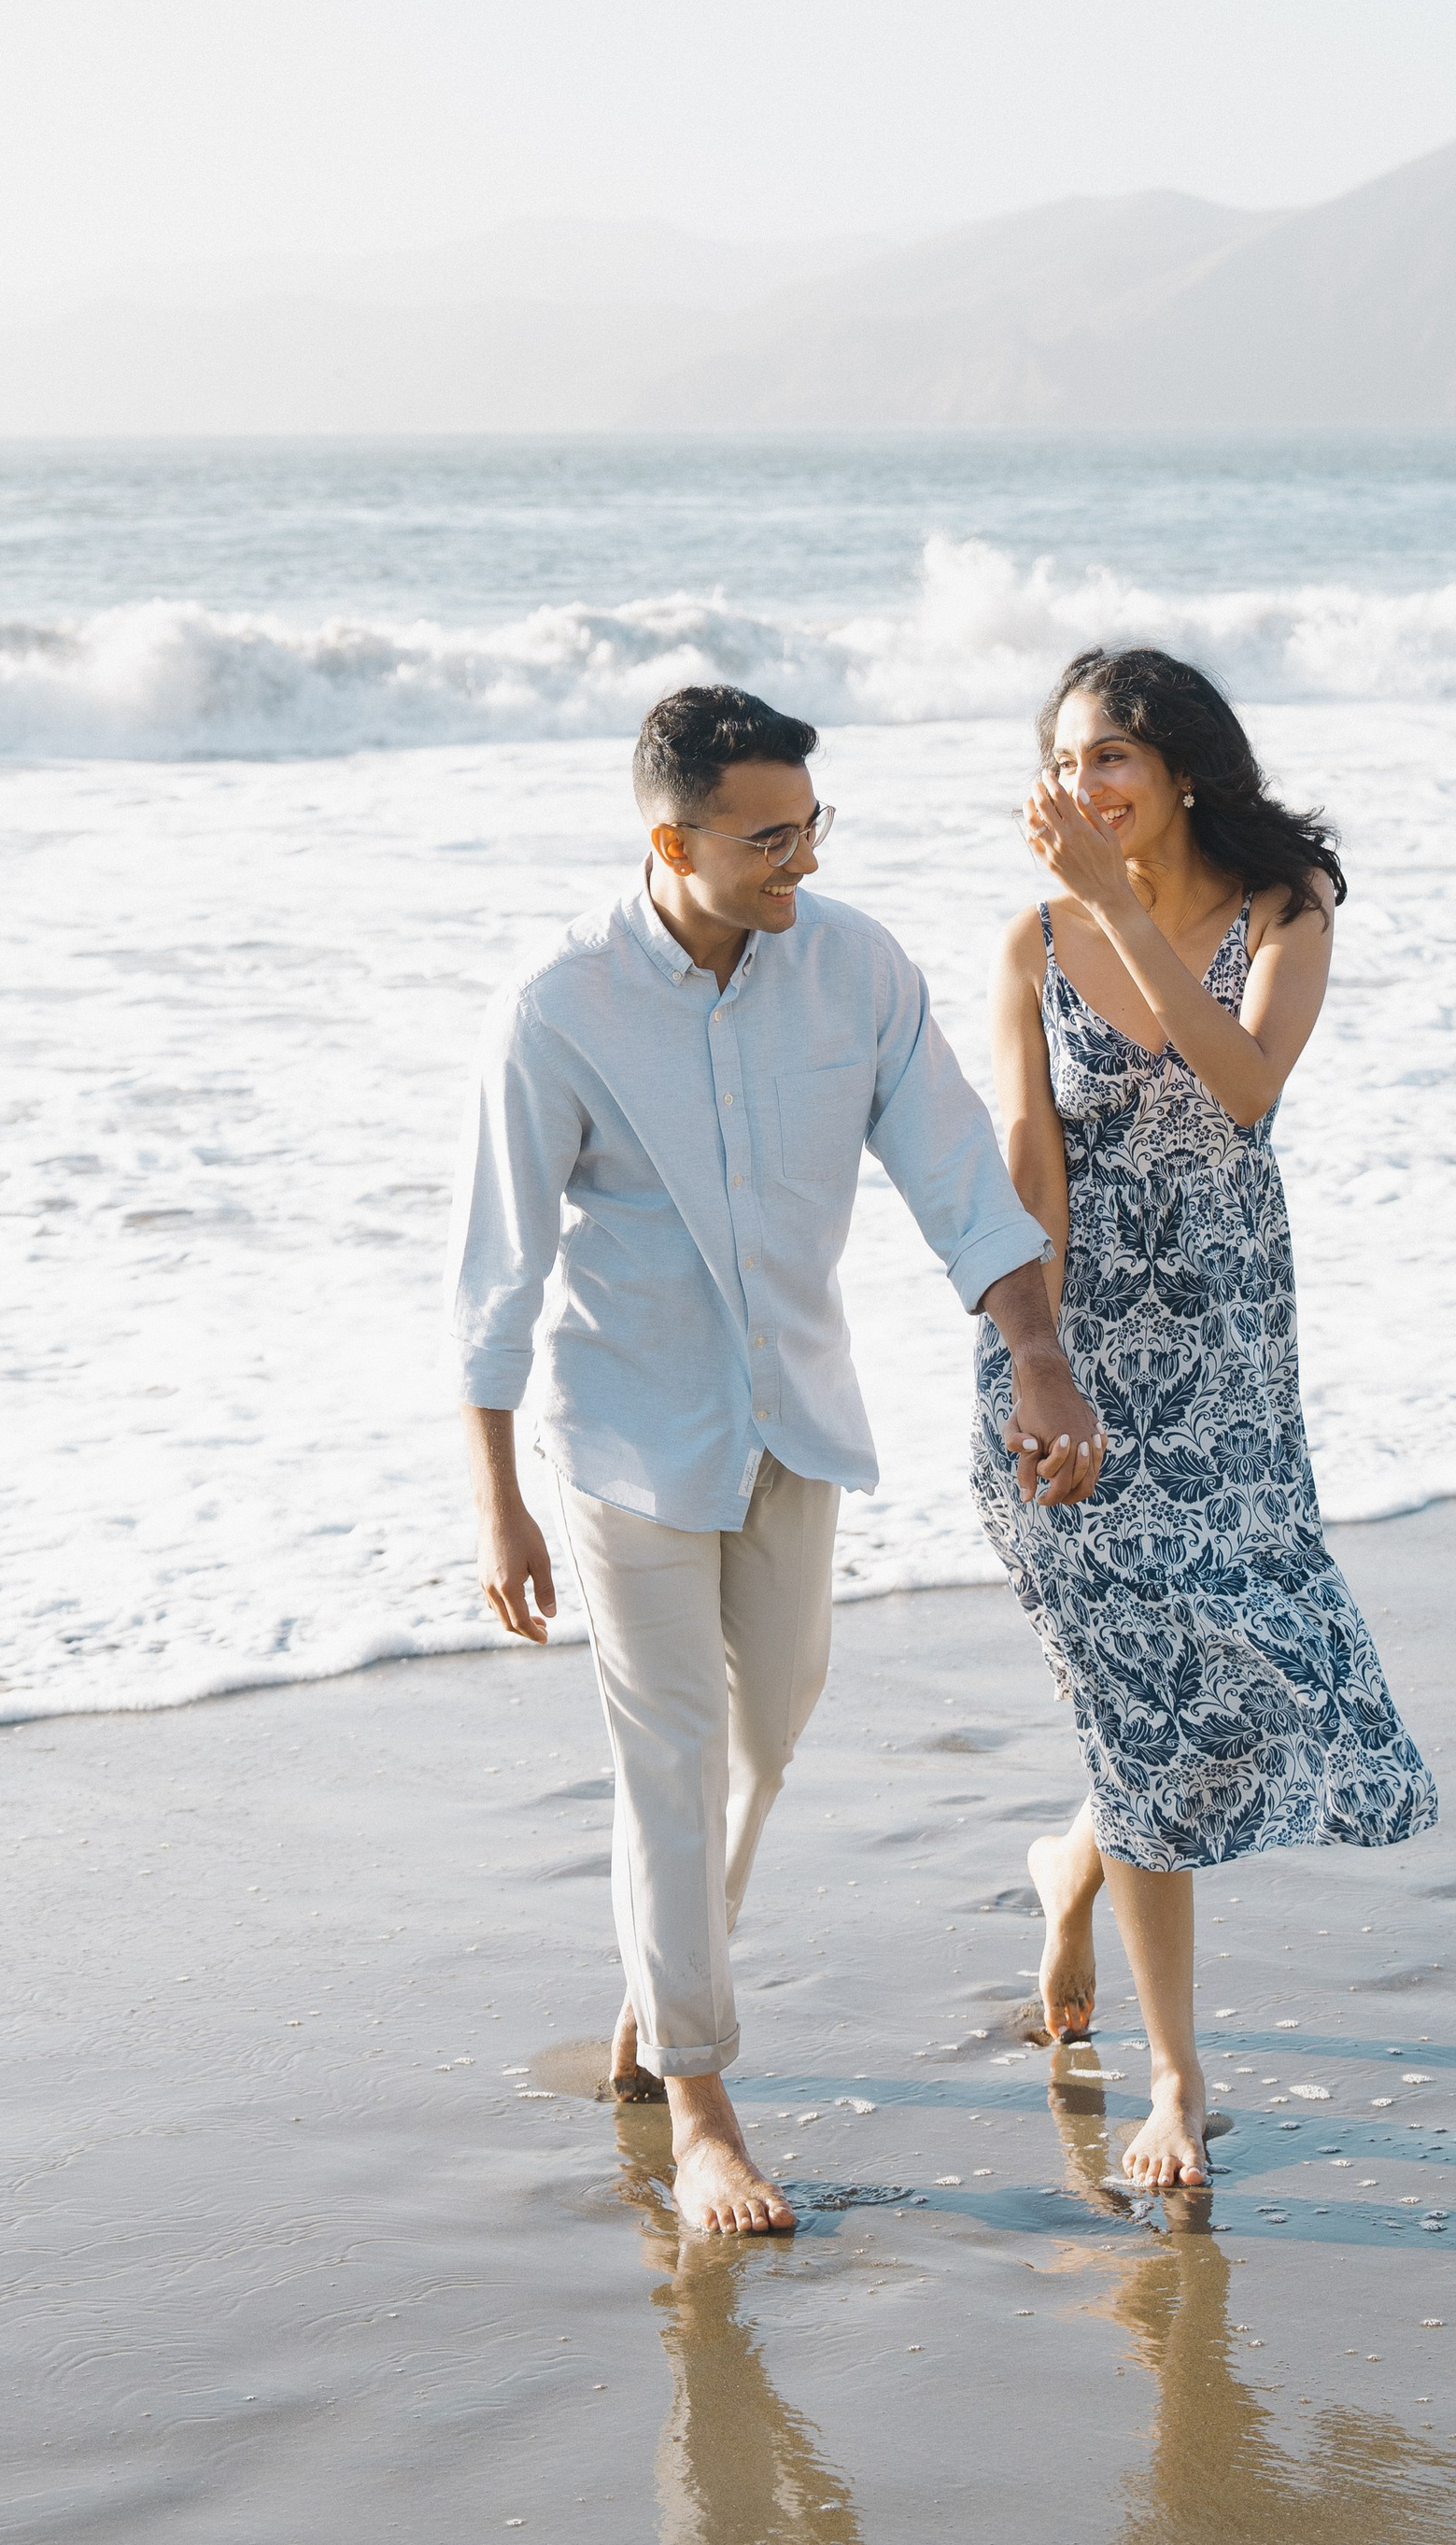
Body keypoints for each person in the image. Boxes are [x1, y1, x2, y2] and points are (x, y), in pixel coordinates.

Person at [447, 682, 1104, 2239]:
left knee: (774, 1724)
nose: (802, 858)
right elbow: (496, 1270)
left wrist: (1037, 1348)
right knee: (670, 1754)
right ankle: (701, 2105)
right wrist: (498, 1501)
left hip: (793, 1414)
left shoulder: (857, 968)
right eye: (768, 838)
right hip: (627, 1432)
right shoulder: (557, 1006)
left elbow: (958, 1171)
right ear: (672, 842)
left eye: (813, 825)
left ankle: (661, 1965)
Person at [975, 644, 1437, 2192]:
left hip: (1225, 1350)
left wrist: (1112, 904)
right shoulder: (1032, 939)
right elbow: (1029, 1154)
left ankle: (1074, 1864)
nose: (1083, 785)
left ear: (1179, 765)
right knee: (1142, 1701)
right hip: (1077, 1353)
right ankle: (1175, 2080)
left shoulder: (1282, 908)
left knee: (1246, 1673)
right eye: (1065, 762)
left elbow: (1240, 1083)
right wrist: (1032, 1360)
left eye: (1109, 756)